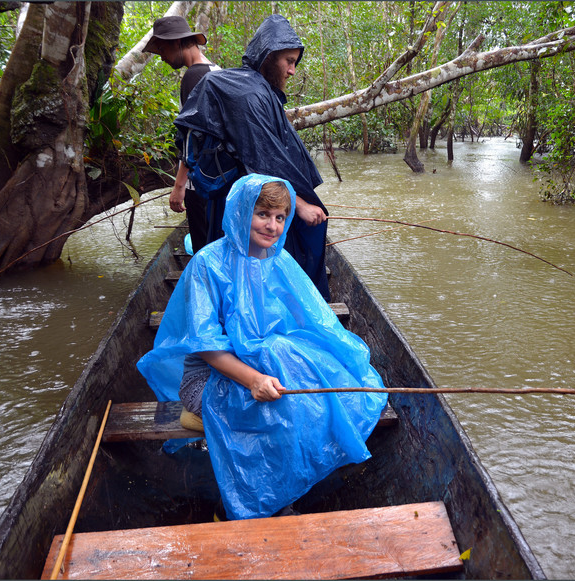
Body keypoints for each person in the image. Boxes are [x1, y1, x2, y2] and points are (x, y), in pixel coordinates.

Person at [136, 173, 388, 521]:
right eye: (263, 214)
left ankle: (283, 486)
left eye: (280, 217)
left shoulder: (279, 260)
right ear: (241, 212)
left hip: (271, 366)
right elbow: (207, 347)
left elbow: (313, 321)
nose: (272, 226)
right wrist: (254, 379)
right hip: (209, 377)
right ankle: (258, 502)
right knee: (278, 387)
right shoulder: (208, 264)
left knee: (298, 364)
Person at [175, 14, 331, 300]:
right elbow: (262, 160)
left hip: (243, 205)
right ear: (269, 56)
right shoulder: (248, 94)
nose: (293, 71)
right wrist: (301, 205)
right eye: (289, 61)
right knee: (242, 279)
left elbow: (271, 153)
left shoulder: (255, 89)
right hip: (239, 208)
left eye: (295, 63)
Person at [143, 16, 220, 254]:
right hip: (219, 179)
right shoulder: (215, 70)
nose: (163, 57)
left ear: (177, 43)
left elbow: (193, 136)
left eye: (163, 49)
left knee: (203, 250)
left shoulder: (193, 76)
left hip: (201, 183)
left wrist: (179, 186)